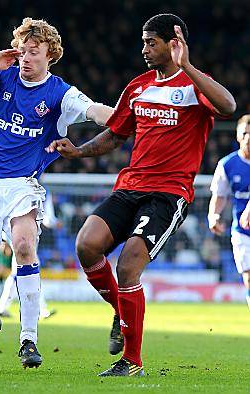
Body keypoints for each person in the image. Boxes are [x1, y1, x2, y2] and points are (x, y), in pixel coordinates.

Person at [47, 14, 236, 376]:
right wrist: (78, 151)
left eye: (152, 42)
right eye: (144, 41)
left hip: (168, 194)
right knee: (87, 244)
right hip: (130, 186)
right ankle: (121, 310)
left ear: (173, 43)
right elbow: (116, 134)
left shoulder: (195, 86)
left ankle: (131, 362)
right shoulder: (138, 86)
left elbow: (228, 106)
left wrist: (189, 66)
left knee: (129, 265)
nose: (144, 49)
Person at [0, 17, 113, 369]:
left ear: (50, 54)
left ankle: (29, 340)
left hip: (23, 184)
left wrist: (132, 118)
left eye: (33, 52)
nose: (25, 58)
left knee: (24, 246)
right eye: (22, 51)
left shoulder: (60, 93)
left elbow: (97, 112)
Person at [0, 190, 58, 319]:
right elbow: (49, 220)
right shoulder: (42, 191)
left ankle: (2, 307)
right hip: (26, 236)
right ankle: (41, 309)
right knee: (31, 270)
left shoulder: (18, 187)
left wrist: (4, 238)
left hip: (18, 235)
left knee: (16, 273)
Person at [208, 114, 250, 308]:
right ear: (238, 136)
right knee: (248, 277)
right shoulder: (227, 165)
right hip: (242, 231)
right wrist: (214, 216)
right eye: (245, 133)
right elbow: (220, 195)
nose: (249, 138)